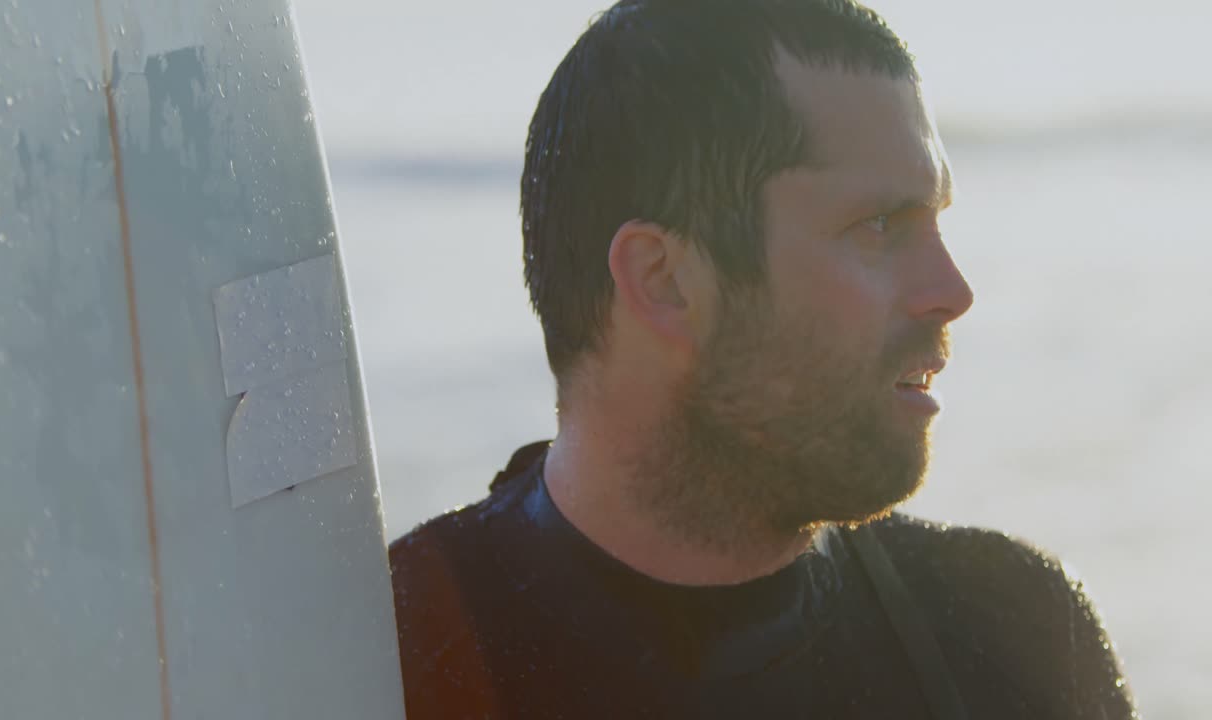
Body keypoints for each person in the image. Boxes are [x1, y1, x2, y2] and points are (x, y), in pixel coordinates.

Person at [389, 0, 1138, 717]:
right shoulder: (382, 660)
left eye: (935, 222)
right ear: (666, 282)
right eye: (878, 226)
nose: (952, 291)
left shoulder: (1010, 636)